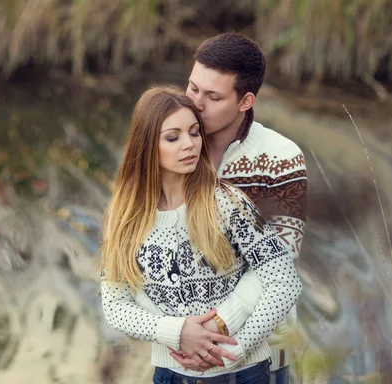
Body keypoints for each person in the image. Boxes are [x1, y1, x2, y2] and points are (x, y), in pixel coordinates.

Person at [99, 85, 302, 384]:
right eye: (173, 137)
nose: (189, 144)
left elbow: (285, 281)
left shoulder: (226, 202)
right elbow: (115, 306)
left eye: (194, 132)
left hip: (242, 374)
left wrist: (237, 348)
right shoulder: (126, 217)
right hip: (169, 375)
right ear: (145, 146)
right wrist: (175, 332)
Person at [169, 32, 308, 384]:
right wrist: (177, 331)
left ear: (245, 101)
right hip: (181, 352)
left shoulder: (280, 159)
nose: (196, 104)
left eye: (213, 97)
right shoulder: (170, 145)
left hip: (259, 357)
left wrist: (216, 331)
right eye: (193, 88)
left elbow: (280, 264)